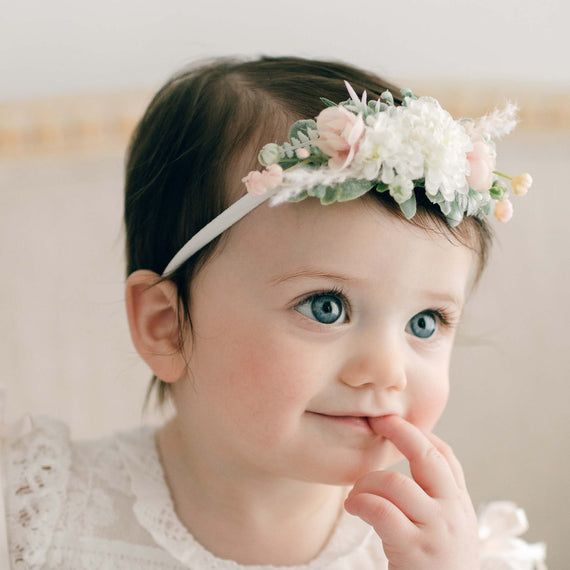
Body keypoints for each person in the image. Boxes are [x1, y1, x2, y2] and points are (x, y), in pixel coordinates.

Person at [0, 56, 546, 569]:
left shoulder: (436, 553)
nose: (387, 370)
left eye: (424, 323)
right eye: (326, 307)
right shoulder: (36, 510)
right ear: (165, 325)